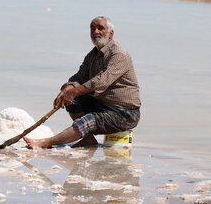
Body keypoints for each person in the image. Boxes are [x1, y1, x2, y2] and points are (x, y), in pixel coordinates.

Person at [24, 16, 141, 148]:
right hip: (102, 105)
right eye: (92, 28)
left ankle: (46, 142)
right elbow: (79, 77)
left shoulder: (119, 54)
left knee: (87, 121)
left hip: (124, 113)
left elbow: (102, 81)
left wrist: (74, 91)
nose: (95, 32)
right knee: (72, 100)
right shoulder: (92, 55)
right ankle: (88, 139)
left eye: (100, 28)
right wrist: (66, 90)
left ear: (111, 33)